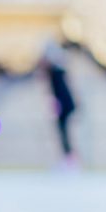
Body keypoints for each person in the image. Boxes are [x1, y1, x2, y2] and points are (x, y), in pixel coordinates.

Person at [42, 41, 79, 169]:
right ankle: (68, 159)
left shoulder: (55, 72)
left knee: (64, 132)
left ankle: (69, 161)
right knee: (62, 132)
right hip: (64, 105)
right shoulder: (57, 71)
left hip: (64, 106)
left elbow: (58, 92)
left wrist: (56, 105)